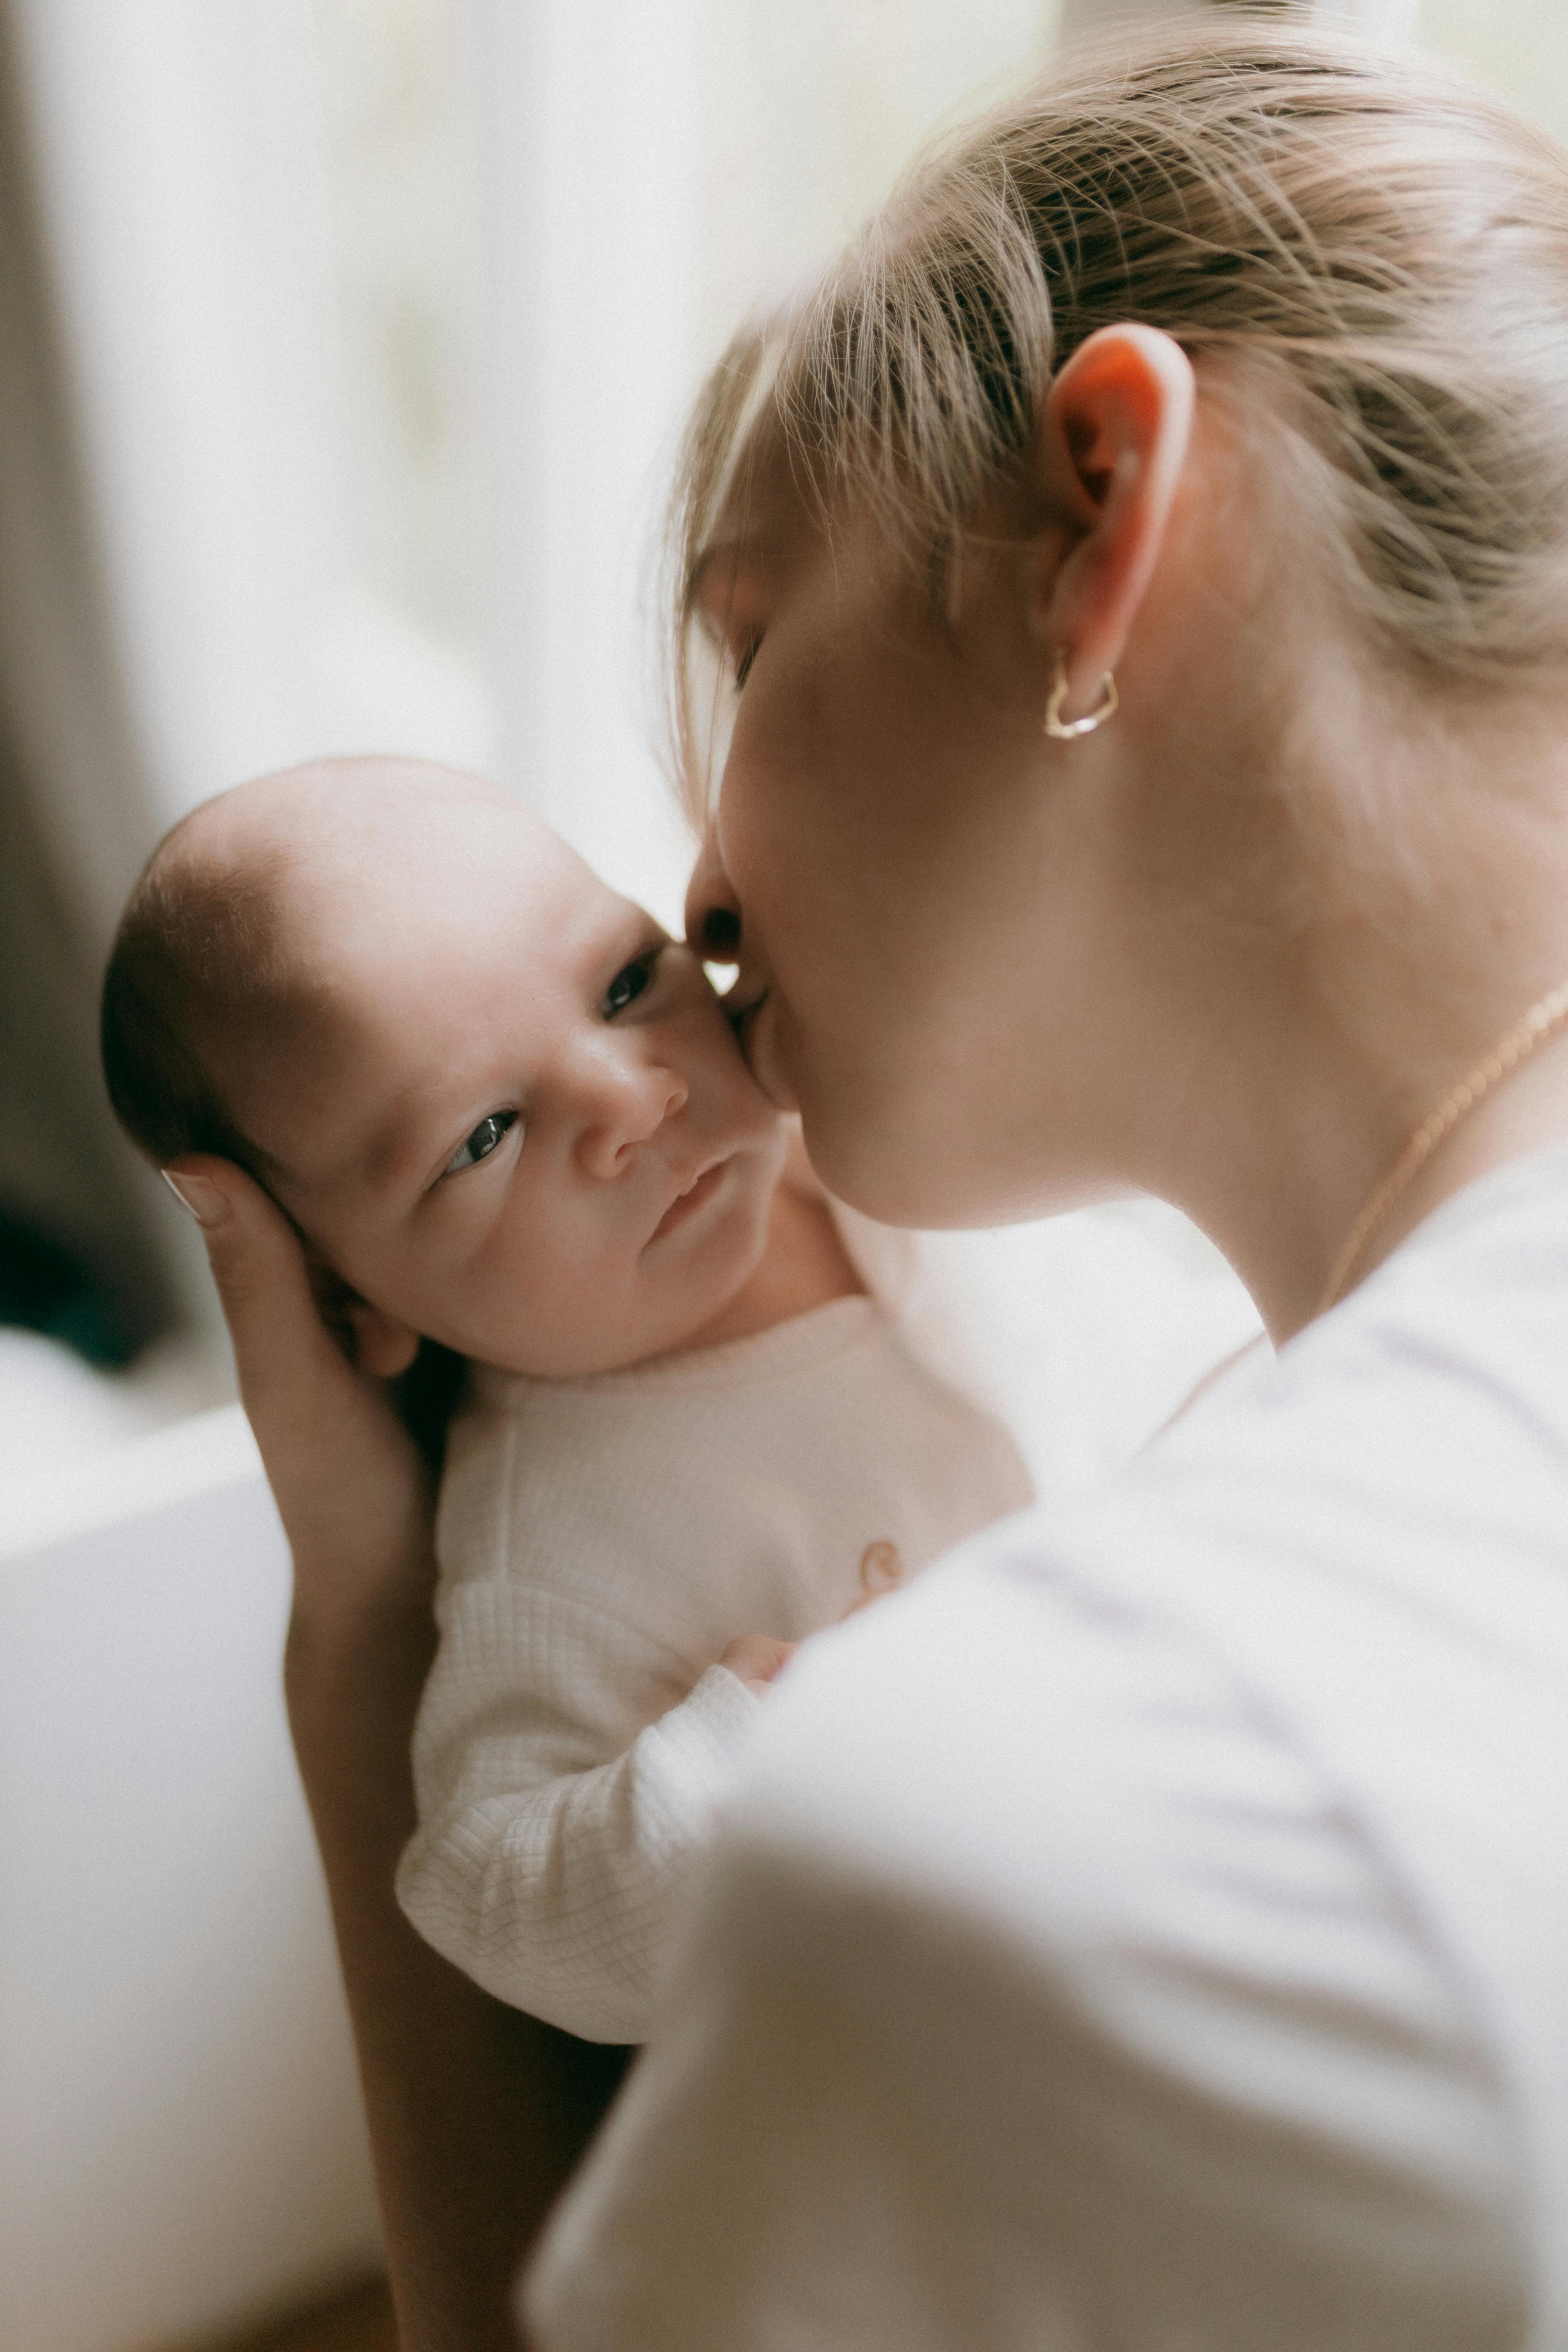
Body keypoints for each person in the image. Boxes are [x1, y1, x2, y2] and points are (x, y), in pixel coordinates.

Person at [153, 18, 1568, 2349]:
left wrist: (358, 1642)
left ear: (1102, 513)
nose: (702, 890)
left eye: (750, 635)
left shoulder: (1009, 1806)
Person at [101, 758, 1029, 2044]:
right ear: (353, 1307)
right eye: (484, 1136)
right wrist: (743, 1763)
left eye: (624, 984)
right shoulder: (551, 1539)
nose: (627, 1098)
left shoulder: (879, 1152)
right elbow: (494, 1894)